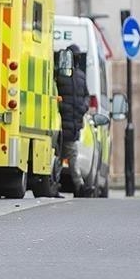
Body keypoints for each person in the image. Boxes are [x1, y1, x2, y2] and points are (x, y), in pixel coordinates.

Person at [56, 44, 89, 195]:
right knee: (68, 154)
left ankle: (59, 183)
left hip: (73, 124)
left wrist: (83, 108)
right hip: (62, 123)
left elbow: (86, 97)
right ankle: (78, 185)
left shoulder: (80, 77)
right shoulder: (60, 75)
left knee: (64, 155)